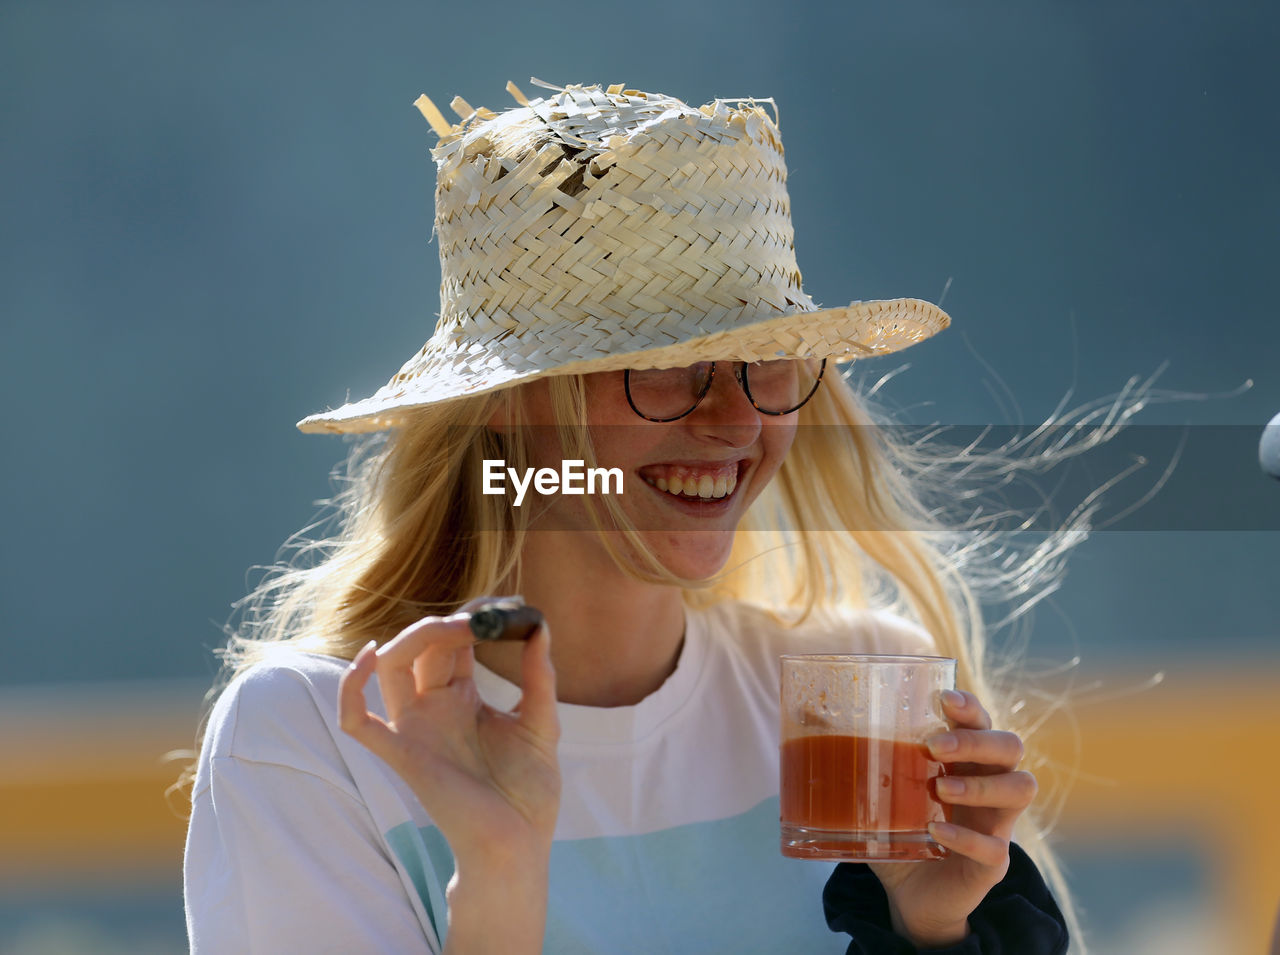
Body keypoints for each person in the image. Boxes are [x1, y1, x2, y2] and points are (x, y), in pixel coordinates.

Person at [183, 80, 1073, 953]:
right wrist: (497, 869)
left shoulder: (864, 692)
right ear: (505, 399)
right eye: (661, 365)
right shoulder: (316, 733)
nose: (736, 419)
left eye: (766, 359)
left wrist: (932, 934)